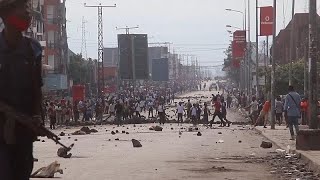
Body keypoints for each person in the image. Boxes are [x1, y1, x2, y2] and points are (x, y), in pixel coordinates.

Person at [0, 0, 45, 178]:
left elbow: (37, 88)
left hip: (24, 129)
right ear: (5, 15)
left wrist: (36, 117)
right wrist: (8, 111)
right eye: (22, 9)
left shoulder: (33, 48)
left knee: (22, 172)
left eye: (28, 9)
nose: (27, 14)